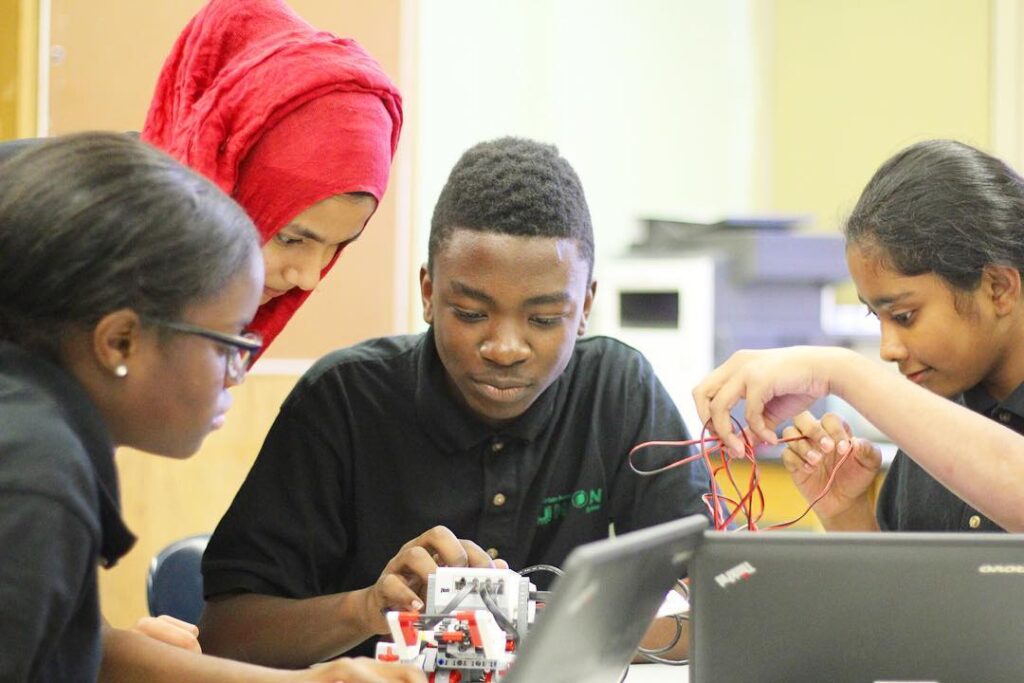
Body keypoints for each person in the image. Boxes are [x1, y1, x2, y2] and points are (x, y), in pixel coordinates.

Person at [197, 137, 714, 666]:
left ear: (584, 307)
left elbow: (714, 610)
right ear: (428, 293)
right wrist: (368, 609)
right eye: (470, 312)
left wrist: (531, 628)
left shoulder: (619, 392)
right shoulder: (343, 402)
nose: (505, 349)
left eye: (542, 319)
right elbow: (226, 633)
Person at [0, 132, 425, 682]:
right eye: (229, 342)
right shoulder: (37, 476)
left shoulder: (32, 423)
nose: (239, 370)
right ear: (120, 342)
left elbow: (78, 641)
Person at [693, 139, 1024, 534]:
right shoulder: (932, 423)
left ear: (998, 288)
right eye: (877, 317)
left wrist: (841, 371)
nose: (889, 349)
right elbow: (901, 596)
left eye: (904, 316)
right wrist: (847, 514)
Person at [142, 0, 403, 355]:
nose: (308, 278)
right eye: (290, 239)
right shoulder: (77, 297)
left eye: (336, 247)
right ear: (219, 183)